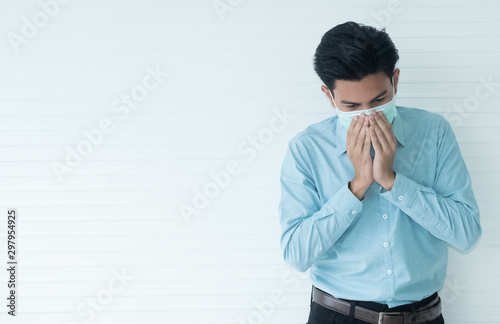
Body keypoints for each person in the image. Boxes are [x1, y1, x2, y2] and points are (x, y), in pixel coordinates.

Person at [278, 21, 482, 324]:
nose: (368, 115)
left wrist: (393, 181)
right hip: (336, 315)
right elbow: (296, 254)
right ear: (329, 96)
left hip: (422, 316)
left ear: (395, 82)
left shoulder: (434, 133)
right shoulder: (306, 150)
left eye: (379, 100)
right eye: (351, 105)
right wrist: (357, 186)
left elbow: (467, 234)